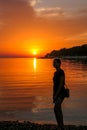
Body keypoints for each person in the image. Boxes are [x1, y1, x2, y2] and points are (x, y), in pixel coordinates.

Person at [53, 58, 65, 130]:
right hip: (56, 93)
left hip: (61, 93)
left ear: (59, 64)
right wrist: (53, 95)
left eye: (55, 62)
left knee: (56, 108)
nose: (54, 64)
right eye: (53, 63)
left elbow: (61, 84)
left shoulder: (61, 72)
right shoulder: (55, 73)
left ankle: (61, 126)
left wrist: (56, 95)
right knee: (59, 109)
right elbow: (54, 85)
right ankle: (60, 125)